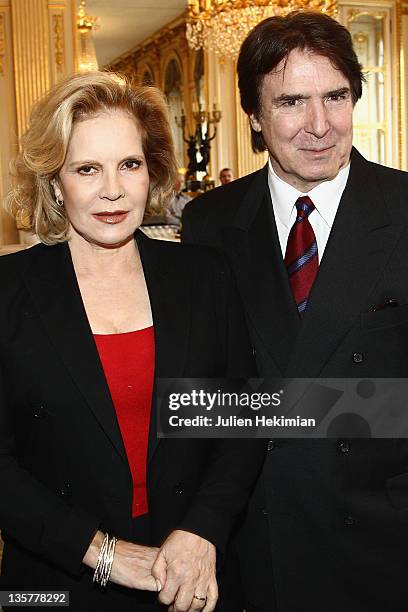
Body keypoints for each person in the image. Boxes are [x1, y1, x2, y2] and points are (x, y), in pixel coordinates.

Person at [0, 71, 266, 611]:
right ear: (55, 182)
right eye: (87, 169)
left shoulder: (205, 276)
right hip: (52, 587)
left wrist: (203, 531)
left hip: (192, 579)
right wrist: (101, 552)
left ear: (152, 171)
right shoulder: (8, 293)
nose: (113, 190)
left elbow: (242, 417)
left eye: (129, 164)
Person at [182, 11, 408, 612]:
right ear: (254, 117)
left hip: (383, 547)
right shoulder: (207, 224)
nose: (319, 126)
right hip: (256, 546)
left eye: (335, 96)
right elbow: (205, 394)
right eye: (291, 102)